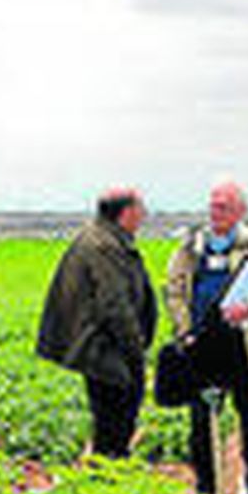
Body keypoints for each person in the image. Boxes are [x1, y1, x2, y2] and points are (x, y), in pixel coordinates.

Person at [166, 180, 248, 494]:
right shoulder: (191, 246)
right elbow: (175, 289)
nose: (215, 212)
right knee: (200, 422)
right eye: (213, 205)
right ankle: (207, 489)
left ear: (240, 211)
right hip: (201, 343)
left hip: (243, 344)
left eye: (223, 207)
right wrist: (184, 329)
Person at [36, 188, 157, 458]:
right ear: (126, 213)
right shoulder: (103, 246)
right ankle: (110, 482)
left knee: (111, 421)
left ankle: (109, 476)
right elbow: (114, 305)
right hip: (104, 350)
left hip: (102, 348)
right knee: (115, 424)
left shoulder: (103, 238)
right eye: (141, 209)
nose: (145, 215)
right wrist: (135, 351)